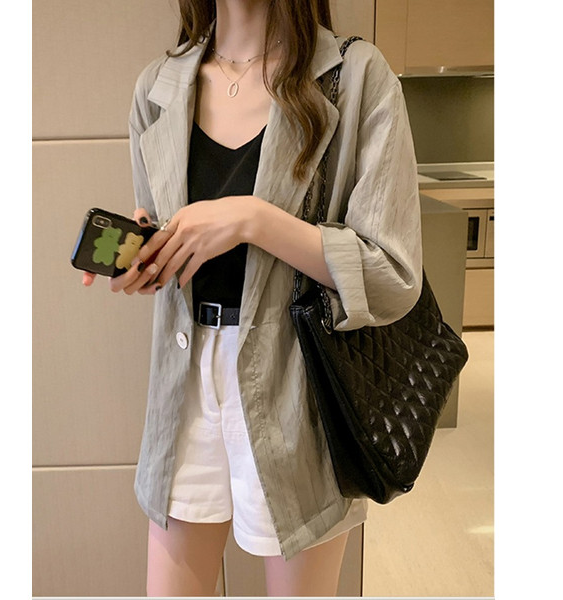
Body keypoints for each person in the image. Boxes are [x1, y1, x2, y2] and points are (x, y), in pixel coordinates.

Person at [83, 0, 422, 595]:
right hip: (183, 383)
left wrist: (252, 219)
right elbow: (170, 237)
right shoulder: (158, 88)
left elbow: (392, 275)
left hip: (300, 386)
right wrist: (148, 261)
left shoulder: (356, 78)